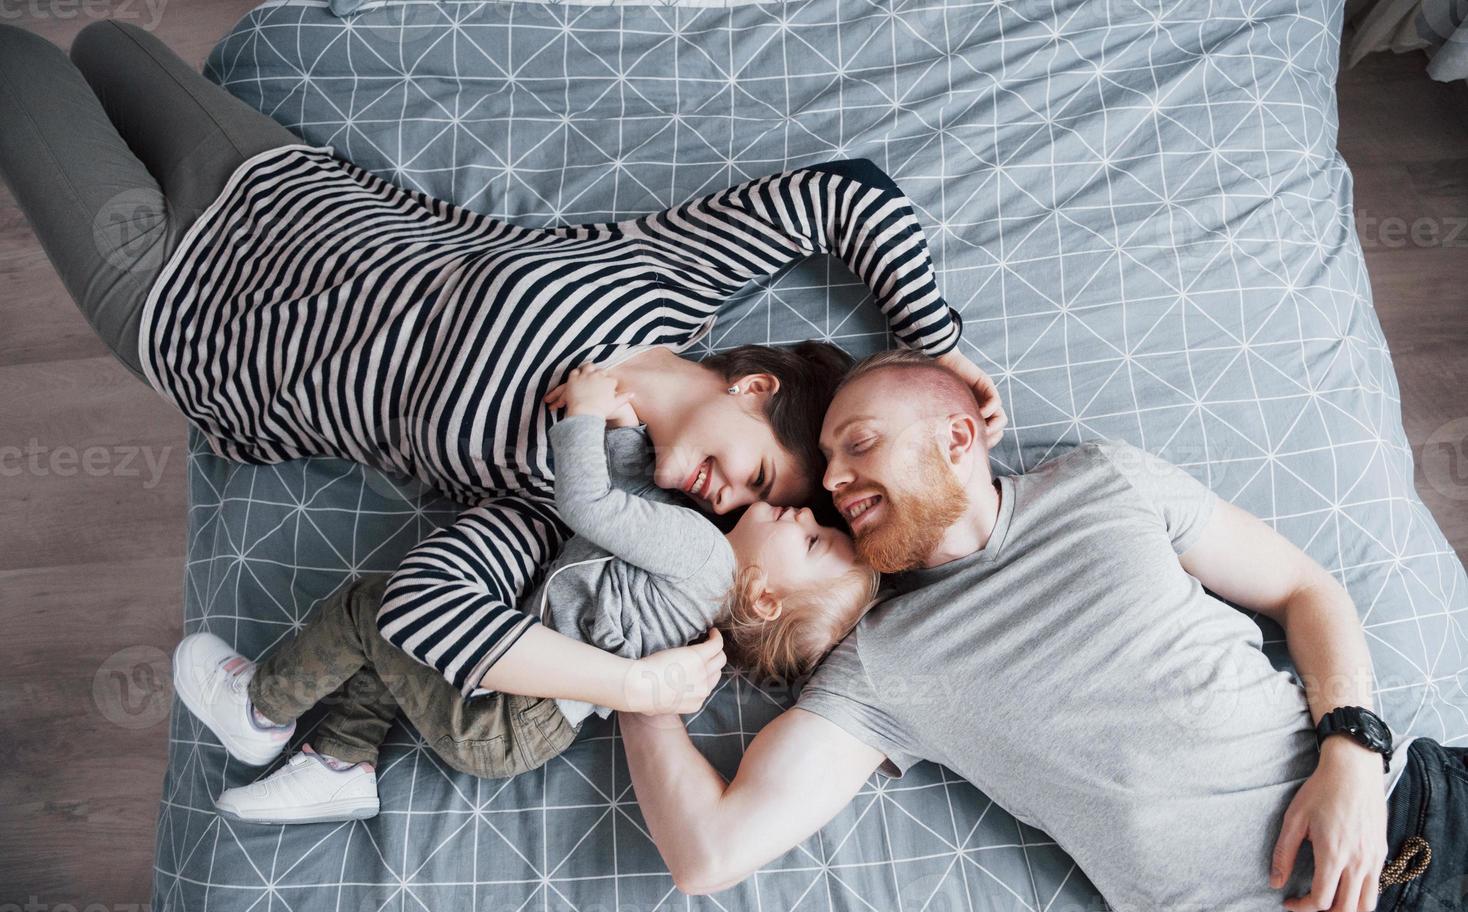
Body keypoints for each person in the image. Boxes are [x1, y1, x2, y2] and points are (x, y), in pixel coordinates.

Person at [0, 21, 1003, 700]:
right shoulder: (664, 279)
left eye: (727, 513)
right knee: (109, 41)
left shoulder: (561, 497)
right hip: (278, 186)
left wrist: (631, 684)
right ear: (752, 387)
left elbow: (425, 613)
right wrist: (938, 350)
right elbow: (849, 196)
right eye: (754, 475)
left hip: (191, 312)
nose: (715, 501)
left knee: (20, 65)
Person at [620, 349, 1467, 912]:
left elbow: (1305, 589)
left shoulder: (1108, 480)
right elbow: (708, 853)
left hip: (1423, 805)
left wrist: (1353, 752)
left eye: (859, 445)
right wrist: (636, 680)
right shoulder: (881, 665)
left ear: (957, 437)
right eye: (829, 465)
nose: (833, 480)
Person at [170, 364, 878, 824]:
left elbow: (593, 509)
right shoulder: (701, 589)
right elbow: (632, 514)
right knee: (399, 655)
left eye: (812, 540)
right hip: (530, 729)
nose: (802, 514)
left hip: (506, 714)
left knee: (372, 610)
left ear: (762, 600)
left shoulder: (701, 557)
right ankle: (341, 760)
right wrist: (629, 436)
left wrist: (586, 418)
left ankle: (260, 707)